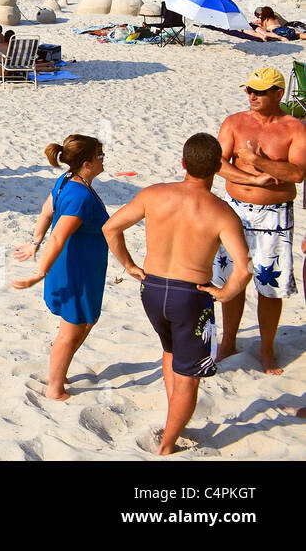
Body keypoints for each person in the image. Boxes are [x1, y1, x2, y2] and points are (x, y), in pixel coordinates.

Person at [101, 134, 253, 455]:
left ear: (182, 163)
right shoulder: (222, 211)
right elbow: (243, 269)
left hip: (152, 289)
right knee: (189, 378)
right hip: (191, 296)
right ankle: (167, 445)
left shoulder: (154, 194)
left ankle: (173, 418)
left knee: (170, 350)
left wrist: (128, 264)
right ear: (217, 168)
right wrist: (225, 294)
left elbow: (110, 228)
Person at [211, 68, 306, 374]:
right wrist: (254, 178)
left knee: (270, 285)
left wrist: (258, 162)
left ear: (279, 94)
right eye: (249, 90)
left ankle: (266, 349)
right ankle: (228, 341)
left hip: (275, 215)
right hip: (235, 211)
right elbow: (218, 163)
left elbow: (297, 174)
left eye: (260, 91)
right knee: (232, 279)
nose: (252, 96)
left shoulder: (295, 129)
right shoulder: (235, 123)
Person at [11, 135, 109, 400]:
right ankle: (55, 387)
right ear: (87, 163)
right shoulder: (79, 197)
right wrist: (39, 272)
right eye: (100, 155)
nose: (104, 159)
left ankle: (59, 370)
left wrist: (34, 242)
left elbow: (46, 212)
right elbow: (59, 236)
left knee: (87, 320)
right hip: (75, 269)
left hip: (81, 267)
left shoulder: (67, 180)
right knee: (72, 328)